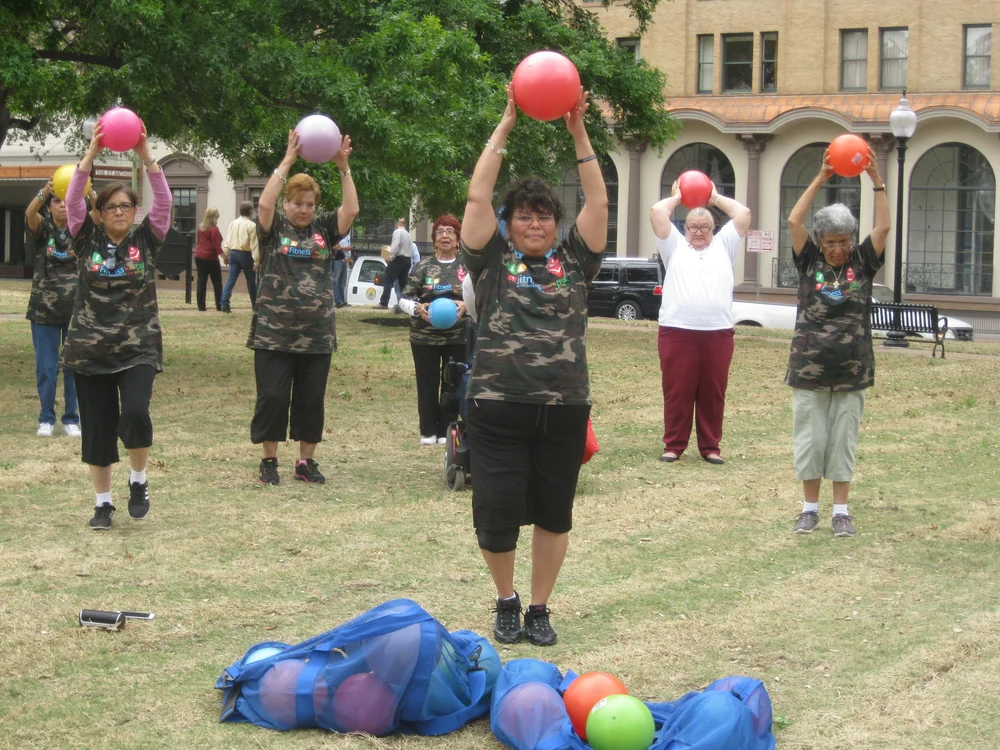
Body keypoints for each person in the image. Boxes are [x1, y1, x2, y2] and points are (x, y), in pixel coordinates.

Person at [461, 85, 607, 647]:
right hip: (496, 406)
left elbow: (599, 204)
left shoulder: (575, 259)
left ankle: (540, 607)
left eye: (544, 215)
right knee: (496, 512)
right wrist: (505, 124)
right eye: (524, 216)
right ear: (510, 224)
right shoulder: (491, 260)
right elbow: (477, 196)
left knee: (554, 512)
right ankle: (506, 600)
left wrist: (578, 131)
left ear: (555, 223)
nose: (535, 224)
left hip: (563, 408)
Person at [62, 123, 172, 530]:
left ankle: (138, 480)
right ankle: (103, 504)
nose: (120, 212)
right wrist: (90, 155)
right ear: (100, 213)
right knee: (97, 428)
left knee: (137, 414)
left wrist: (147, 157)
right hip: (89, 350)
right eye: (111, 207)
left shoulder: (146, 240)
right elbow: (72, 200)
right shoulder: (84, 238)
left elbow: (163, 203)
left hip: (138, 347)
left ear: (134, 211)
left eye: (126, 205)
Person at [787, 148, 889, 538]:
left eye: (843, 240)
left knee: (843, 441)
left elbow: (883, 227)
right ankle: (809, 509)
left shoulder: (862, 263)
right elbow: (794, 220)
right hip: (808, 370)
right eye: (830, 241)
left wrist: (875, 179)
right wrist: (821, 177)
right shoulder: (808, 261)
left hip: (852, 370)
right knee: (811, 440)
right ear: (820, 241)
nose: (837, 248)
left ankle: (841, 511)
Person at [250, 129, 358, 486]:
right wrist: (287, 160)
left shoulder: (324, 228)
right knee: (273, 397)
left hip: (316, 333)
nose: (304, 210)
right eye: (298, 203)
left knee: (311, 400)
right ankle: (269, 461)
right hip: (273, 332)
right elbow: (264, 206)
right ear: (287, 204)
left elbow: (351, 209)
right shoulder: (274, 227)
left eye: (309, 204)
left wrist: (343, 167)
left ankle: (305, 462)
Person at [649, 181, 752, 465]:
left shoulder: (724, 244)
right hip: (676, 330)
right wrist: (677, 197)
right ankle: (674, 445)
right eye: (692, 227)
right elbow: (657, 212)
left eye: (704, 227)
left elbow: (743, 214)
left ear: (713, 229)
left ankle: (710, 447)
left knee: (713, 392)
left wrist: (715, 198)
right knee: (677, 390)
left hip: (717, 332)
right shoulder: (674, 245)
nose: (698, 232)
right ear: (684, 229)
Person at [24, 179, 96, 438]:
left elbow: (99, 214)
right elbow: (29, 213)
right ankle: (46, 418)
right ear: (50, 206)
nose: (63, 206)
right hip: (43, 310)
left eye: (67, 201)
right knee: (46, 367)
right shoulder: (43, 228)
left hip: (77, 310)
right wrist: (44, 192)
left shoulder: (81, 229)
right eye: (57, 201)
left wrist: (89, 190)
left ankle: (71, 419)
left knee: (73, 367)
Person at [398, 215, 468, 445]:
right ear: (434, 239)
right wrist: (417, 308)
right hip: (424, 337)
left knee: (453, 382)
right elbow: (404, 299)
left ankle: (447, 430)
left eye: (450, 231)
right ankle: (428, 431)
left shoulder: (467, 267)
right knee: (427, 381)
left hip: (458, 336)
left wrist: (467, 304)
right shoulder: (422, 267)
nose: (445, 236)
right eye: (440, 232)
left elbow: (481, 296)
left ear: (458, 239)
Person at [220, 201, 260, 312]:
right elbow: (254, 244)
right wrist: (256, 260)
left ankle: (224, 303)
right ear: (250, 212)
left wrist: (226, 254)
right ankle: (255, 306)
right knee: (251, 281)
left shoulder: (233, 223)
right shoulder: (251, 225)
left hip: (233, 253)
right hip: (246, 254)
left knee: (231, 279)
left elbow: (228, 239)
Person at [376, 217, 411, 309]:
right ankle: (406, 304)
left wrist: (390, 257)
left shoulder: (397, 232)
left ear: (397, 224)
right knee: (403, 283)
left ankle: (384, 302)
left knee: (388, 279)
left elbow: (395, 246)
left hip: (398, 259)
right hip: (407, 260)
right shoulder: (408, 234)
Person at [195, 207, 225, 311]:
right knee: (217, 283)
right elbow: (217, 245)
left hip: (199, 256)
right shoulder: (214, 229)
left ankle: (201, 306)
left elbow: (199, 241)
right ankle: (219, 305)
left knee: (201, 281)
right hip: (211, 258)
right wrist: (224, 257)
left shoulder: (201, 228)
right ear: (215, 217)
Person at [332, 235, 350, 308]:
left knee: (342, 282)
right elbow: (336, 247)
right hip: (337, 259)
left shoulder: (346, 236)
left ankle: (342, 300)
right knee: (335, 280)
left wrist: (345, 257)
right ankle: (337, 301)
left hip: (343, 259)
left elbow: (339, 248)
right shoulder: (336, 235)